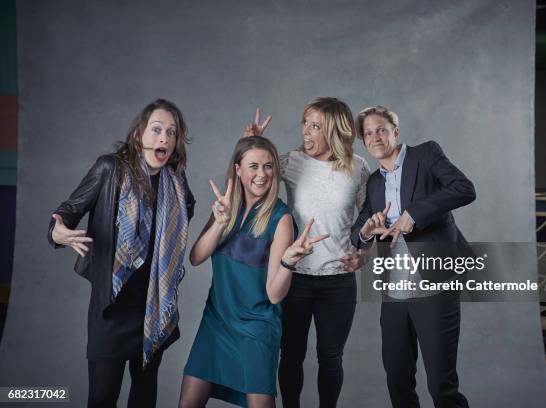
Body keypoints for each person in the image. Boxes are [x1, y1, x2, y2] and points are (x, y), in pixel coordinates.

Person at [48, 99, 195, 408]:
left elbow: (181, 222)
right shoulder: (110, 168)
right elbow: (70, 211)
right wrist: (57, 232)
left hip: (153, 306)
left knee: (143, 398)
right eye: (156, 130)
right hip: (112, 306)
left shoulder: (175, 182)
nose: (164, 138)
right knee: (102, 397)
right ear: (139, 133)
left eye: (171, 132)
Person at [180, 136, 328, 408]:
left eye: (269, 166)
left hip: (256, 327)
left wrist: (287, 262)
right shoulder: (225, 207)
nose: (262, 174)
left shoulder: (280, 218)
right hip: (217, 321)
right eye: (254, 166)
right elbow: (195, 257)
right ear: (238, 169)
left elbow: (274, 295)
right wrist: (219, 224)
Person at [243, 98, 371, 408]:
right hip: (293, 278)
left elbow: (369, 224)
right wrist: (253, 144)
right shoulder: (290, 162)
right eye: (306, 124)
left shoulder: (359, 168)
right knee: (291, 356)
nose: (306, 132)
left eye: (315, 126)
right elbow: (251, 184)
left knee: (331, 358)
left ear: (336, 132)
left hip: (337, 280)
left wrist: (363, 256)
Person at [350, 105, 474, 408]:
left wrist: (414, 215)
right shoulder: (374, 182)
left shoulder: (426, 155)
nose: (375, 137)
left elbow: (464, 189)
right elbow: (359, 230)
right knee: (397, 378)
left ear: (396, 131)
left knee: (441, 386)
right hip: (394, 293)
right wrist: (366, 232)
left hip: (434, 287)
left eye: (381, 129)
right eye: (368, 133)